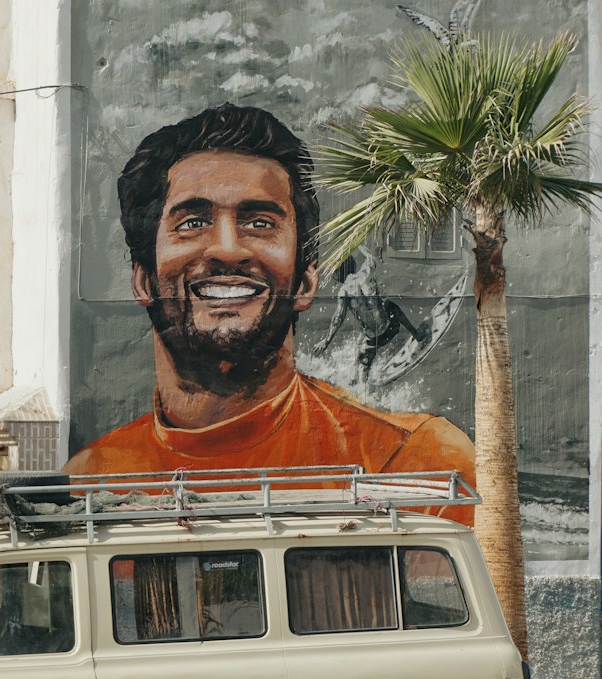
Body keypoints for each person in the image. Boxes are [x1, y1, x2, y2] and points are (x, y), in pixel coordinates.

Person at [66, 102, 475, 517]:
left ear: (305, 281)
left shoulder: (417, 466)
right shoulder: (88, 484)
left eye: (260, 223)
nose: (228, 249)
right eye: (192, 222)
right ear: (143, 280)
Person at [313, 247, 429, 383]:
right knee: (389, 305)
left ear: (338, 273)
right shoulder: (366, 271)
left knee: (363, 359)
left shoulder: (343, 292)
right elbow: (370, 255)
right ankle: (417, 334)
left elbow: (338, 318)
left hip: (374, 339)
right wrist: (357, 243)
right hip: (390, 327)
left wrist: (326, 341)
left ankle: (359, 383)